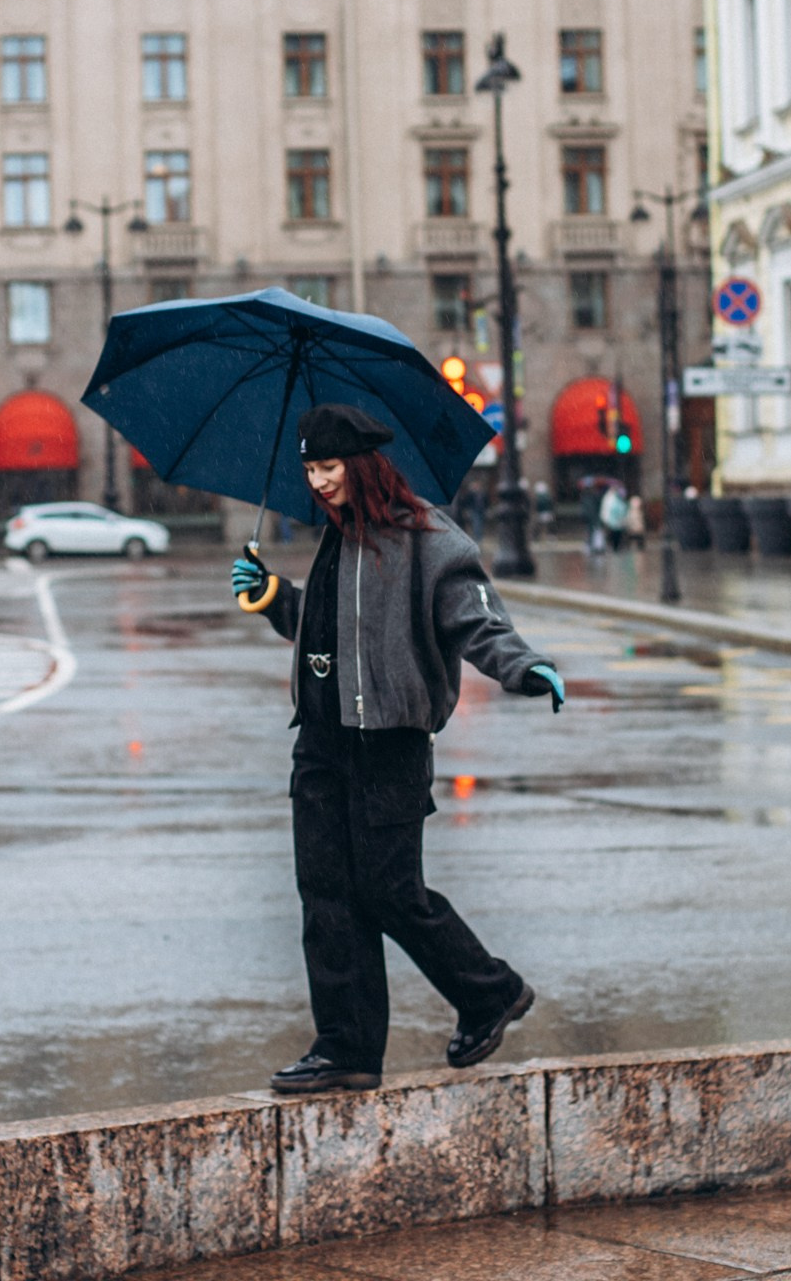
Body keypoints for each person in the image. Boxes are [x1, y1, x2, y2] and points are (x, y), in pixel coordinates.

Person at [231, 404, 562, 1095]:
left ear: (362, 464)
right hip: (321, 743)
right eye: (310, 469)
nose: (318, 481)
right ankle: (346, 1049)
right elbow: (331, 637)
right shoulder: (336, 541)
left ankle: (490, 991)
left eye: (328, 467)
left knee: (389, 892)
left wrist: (522, 666)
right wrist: (273, 599)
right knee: (326, 898)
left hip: (389, 743)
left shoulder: (425, 538)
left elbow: (476, 616)